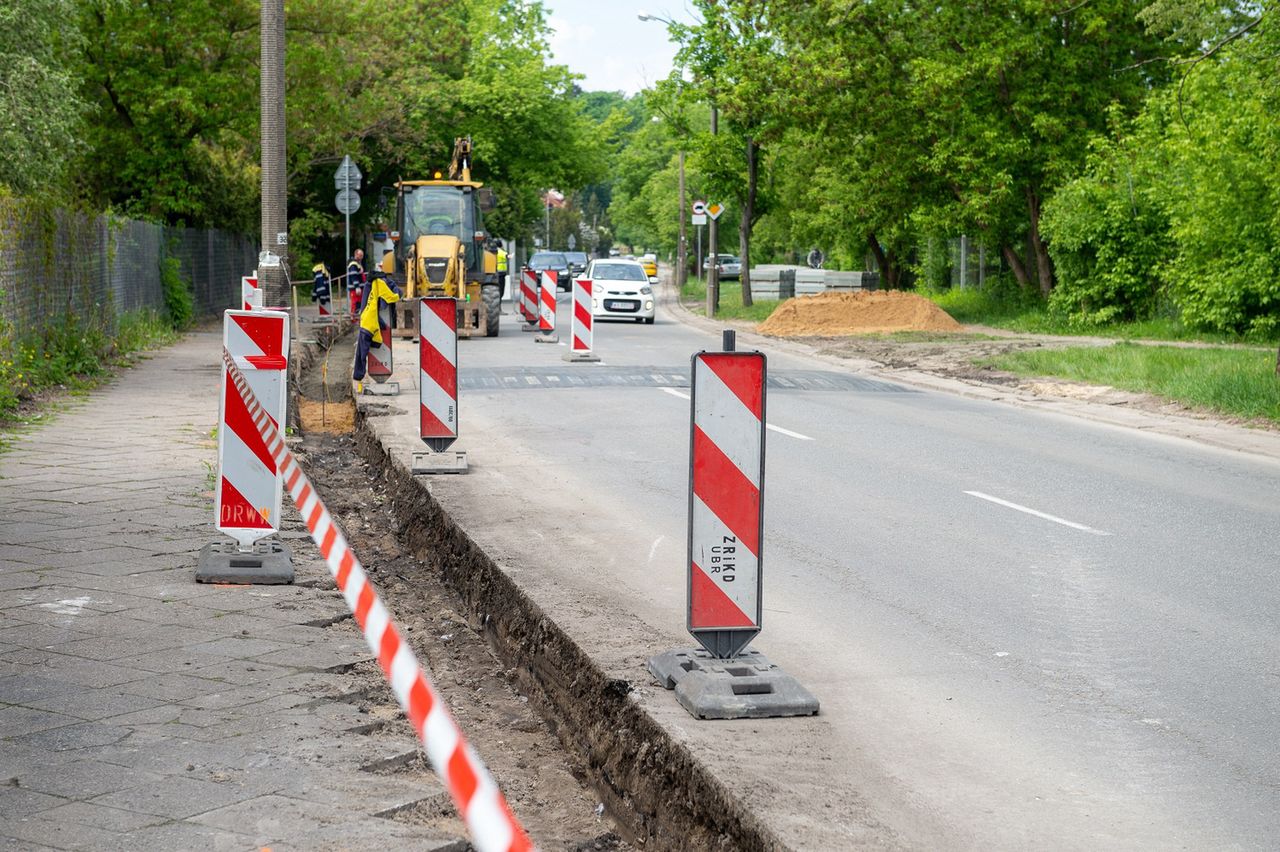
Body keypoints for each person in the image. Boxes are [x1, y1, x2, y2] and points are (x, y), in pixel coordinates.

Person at [352, 269, 401, 394]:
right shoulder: (379, 283)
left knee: (361, 355)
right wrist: (398, 293)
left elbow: (370, 306)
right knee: (361, 355)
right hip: (369, 326)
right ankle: (358, 378)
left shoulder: (370, 284)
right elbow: (391, 297)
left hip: (366, 322)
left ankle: (358, 378)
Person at [347, 248, 366, 318]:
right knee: (355, 304)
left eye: (362, 256)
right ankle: (353, 319)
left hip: (359, 289)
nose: (361, 257)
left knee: (358, 304)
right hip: (355, 289)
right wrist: (357, 287)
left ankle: (356, 319)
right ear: (356, 255)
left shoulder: (357, 263)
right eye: (360, 255)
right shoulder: (353, 264)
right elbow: (353, 276)